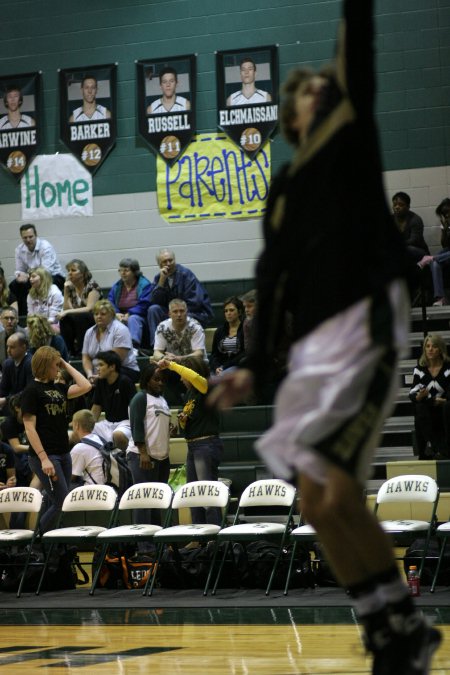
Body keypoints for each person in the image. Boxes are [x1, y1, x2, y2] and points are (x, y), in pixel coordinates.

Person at [208, 1, 441, 672]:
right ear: (292, 115)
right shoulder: (284, 184)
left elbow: (355, 53)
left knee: (337, 492)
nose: (323, 90)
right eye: (310, 89)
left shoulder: (353, 132)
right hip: (313, 348)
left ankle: (400, 621)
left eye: (325, 84)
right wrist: (254, 363)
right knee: (313, 500)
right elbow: (271, 276)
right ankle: (390, 623)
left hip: (368, 323)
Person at [21, 346, 91, 532]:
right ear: (45, 367)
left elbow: (86, 386)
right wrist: (43, 458)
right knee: (62, 501)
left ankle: (47, 547)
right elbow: (29, 428)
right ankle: (37, 543)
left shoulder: (59, 388)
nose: (58, 370)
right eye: (55, 366)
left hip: (63, 453)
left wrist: (64, 363)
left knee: (56, 499)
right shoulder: (31, 391)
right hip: (46, 456)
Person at [159, 356, 223, 526]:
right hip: (193, 446)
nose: (181, 378)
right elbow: (191, 418)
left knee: (207, 495)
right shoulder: (189, 394)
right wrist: (180, 423)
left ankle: (214, 540)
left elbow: (195, 378)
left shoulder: (207, 387)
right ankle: (198, 537)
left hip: (206, 445)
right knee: (193, 494)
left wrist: (172, 365)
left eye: (183, 374)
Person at [127, 363, 171, 530]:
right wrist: (143, 453)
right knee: (144, 501)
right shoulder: (141, 398)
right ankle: (144, 545)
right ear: (146, 380)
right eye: (156, 379)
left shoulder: (163, 400)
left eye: (163, 380)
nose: (160, 383)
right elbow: (136, 426)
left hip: (162, 457)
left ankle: (156, 541)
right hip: (142, 456)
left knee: (157, 502)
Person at [147, 248, 213, 347]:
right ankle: (156, 347)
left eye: (171, 260)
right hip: (172, 314)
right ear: (159, 264)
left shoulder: (186, 274)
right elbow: (154, 301)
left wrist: (175, 313)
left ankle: (180, 347)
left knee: (180, 315)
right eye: (165, 261)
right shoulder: (159, 277)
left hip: (194, 312)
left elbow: (195, 302)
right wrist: (161, 282)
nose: (168, 263)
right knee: (153, 310)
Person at [409, 334, 450, 460]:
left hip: (445, 408)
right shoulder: (419, 369)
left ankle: (443, 449)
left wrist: (443, 401)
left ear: (440, 350)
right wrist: (421, 397)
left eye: (434, 346)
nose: (430, 349)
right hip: (428, 407)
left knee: (448, 406)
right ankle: (435, 449)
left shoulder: (448, 369)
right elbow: (412, 394)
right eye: (428, 346)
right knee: (419, 406)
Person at [9, 224, 64, 316]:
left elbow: (46, 271)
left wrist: (28, 276)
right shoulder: (19, 249)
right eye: (25, 237)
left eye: (30, 237)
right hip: (32, 276)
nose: (28, 240)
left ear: (36, 235)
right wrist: (19, 276)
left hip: (53, 276)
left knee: (35, 282)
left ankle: (47, 312)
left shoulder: (46, 246)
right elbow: (19, 269)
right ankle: (23, 316)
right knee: (14, 285)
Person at [82, 299, 140, 384]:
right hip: (98, 370)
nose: (99, 316)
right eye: (96, 314)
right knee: (78, 378)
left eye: (103, 314)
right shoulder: (89, 332)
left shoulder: (120, 330)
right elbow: (86, 357)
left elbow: (115, 360)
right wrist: (89, 374)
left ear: (111, 315)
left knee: (108, 376)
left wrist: (99, 376)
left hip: (123, 369)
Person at [90, 350, 136, 451]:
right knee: (83, 431)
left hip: (125, 423)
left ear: (112, 367)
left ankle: (123, 462)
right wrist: (88, 425)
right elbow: (96, 407)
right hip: (107, 423)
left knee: (118, 435)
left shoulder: (125, 382)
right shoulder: (101, 382)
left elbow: (134, 408)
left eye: (101, 365)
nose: (97, 369)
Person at [58, 259, 102, 357]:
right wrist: (65, 290)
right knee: (65, 318)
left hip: (96, 318)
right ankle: (69, 352)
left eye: (73, 270)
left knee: (81, 316)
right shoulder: (71, 288)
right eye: (68, 270)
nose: (70, 273)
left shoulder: (92, 286)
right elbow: (66, 309)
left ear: (82, 273)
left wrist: (68, 311)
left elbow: (90, 308)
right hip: (79, 320)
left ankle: (82, 351)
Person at [108, 258, 152, 349]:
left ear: (135, 272)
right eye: (120, 270)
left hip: (140, 316)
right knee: (111, 320)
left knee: (133, 319)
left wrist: (130, 313)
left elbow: (145, 304)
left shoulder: (145, 285)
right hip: (121, 315)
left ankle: (133, 347)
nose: (122, 273)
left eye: (126, 270)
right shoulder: (117, 286)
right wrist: (116, 313)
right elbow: (110, 302)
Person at [417, 198, 450, 306]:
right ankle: (440, 298)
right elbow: (445, 245)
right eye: (444, 214)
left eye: (448, 212)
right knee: (434, 264)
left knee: (432, 259)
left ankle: (432, 258)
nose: (446, 216)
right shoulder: (446, 222)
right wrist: (445, 231)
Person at [209, 296, 246, 375]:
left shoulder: (245, 329)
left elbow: (244, 353)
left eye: (231, 310)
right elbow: (214, 355)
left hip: (237, 367)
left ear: (239, 312)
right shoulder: (219, 331)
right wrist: (216, 367)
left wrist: (224, 367)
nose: (228, 313)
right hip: (219, 368)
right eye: (226, 311)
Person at [70, 409, 108, 486]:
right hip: (108, 487)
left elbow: (70, 477)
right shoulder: (101, 439)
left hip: (92, 490)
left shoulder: (79, 448)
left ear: (77, 425)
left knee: (53, 491)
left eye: (72, 425)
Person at [392, 192, 430, 264]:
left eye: (401, 205)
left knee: (407, 249)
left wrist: (396, 245)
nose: (397, 207)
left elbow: (414, 241)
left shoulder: (415, 219)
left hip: (418, 251)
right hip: (399, 250)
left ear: (408, 206)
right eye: (394, 205)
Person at [0, 332, 33, 413]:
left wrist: (5, 400)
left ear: (23, 347)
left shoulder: (31, 363)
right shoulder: (7, 363)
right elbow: (3, 389)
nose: (8, 350)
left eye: (12, 347)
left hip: (28, 406)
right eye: (7, 346)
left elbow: (29, 391)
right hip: (12, 404)